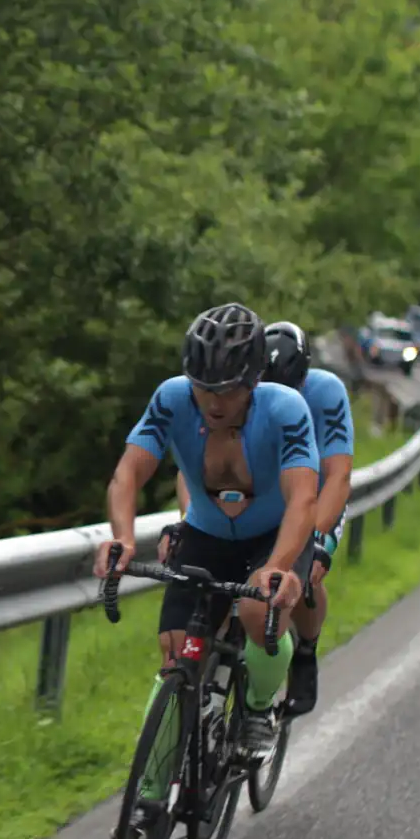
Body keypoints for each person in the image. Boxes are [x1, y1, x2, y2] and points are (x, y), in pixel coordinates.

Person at [96, 302, 317, 759]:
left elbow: (302, 498)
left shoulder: (285, 408)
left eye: (229, 390)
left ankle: (258, 709)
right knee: (175, 651)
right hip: (207, 532)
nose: (214, 402)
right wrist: (123, 537)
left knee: (258, 612)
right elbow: (127, 473)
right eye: (203, 387)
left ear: (253, 380)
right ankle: (150, 793)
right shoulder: (172, 398)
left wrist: (279, 565)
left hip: (273, 535)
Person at [260, 321, 352, 716]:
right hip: (267, 489)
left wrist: (317, 540)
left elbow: (338, 476)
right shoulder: (241, 391)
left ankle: (305, 652)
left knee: (306, 573)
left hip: (317, 492)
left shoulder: (326, 391)